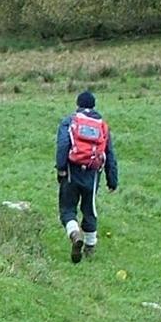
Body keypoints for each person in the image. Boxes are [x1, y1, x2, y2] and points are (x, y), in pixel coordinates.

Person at [57, 90, 118, 263]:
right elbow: (110, 154)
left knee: (67, 209)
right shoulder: (102, 126)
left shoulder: (70, 121)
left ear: (78, 104)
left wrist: (61, 168)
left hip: (71, 170)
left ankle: (75, 234)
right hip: (92, 174)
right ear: (93, 106)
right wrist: (112, 179)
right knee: (89, 209)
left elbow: (63, 145)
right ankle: (90, 248)